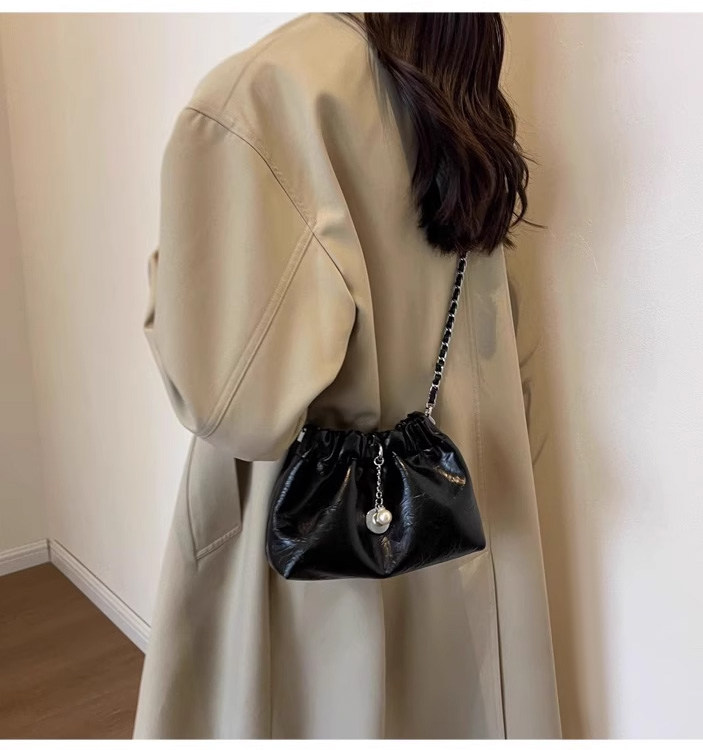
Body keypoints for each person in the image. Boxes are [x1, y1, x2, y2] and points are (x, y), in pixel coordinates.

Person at [133, 12, 561, 739]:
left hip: (315, 578)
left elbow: (230, 404)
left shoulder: (261, 96)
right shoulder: (459, 78)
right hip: (466, 518)